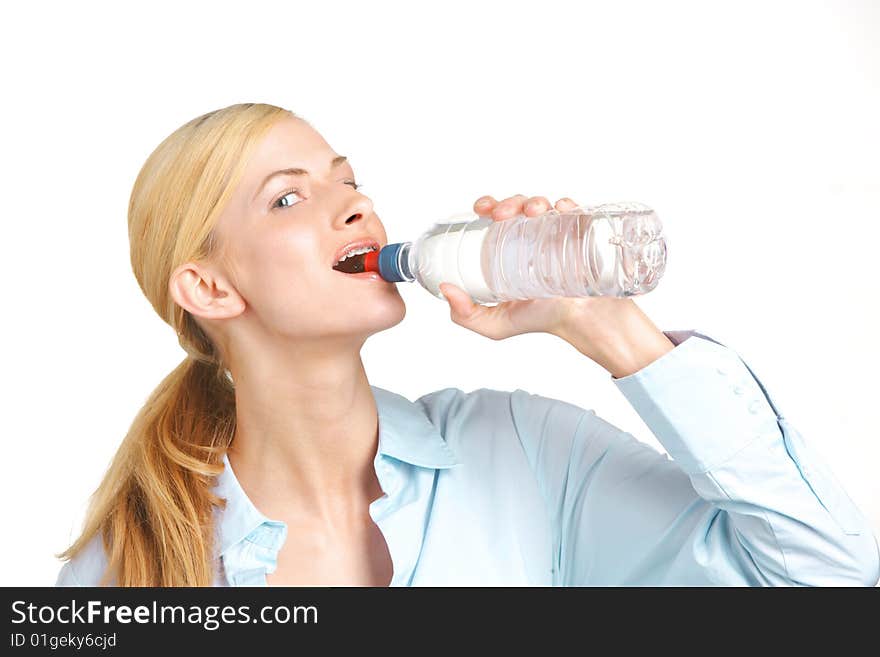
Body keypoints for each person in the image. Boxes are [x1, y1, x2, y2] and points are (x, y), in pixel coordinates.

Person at [55, 102, 879, 587]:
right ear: (210, 288)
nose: (356, 205)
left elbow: (828, 581)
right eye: (286, 200)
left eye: (348, 179)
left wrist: (609, 326)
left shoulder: (518, 454)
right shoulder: (132, 560)